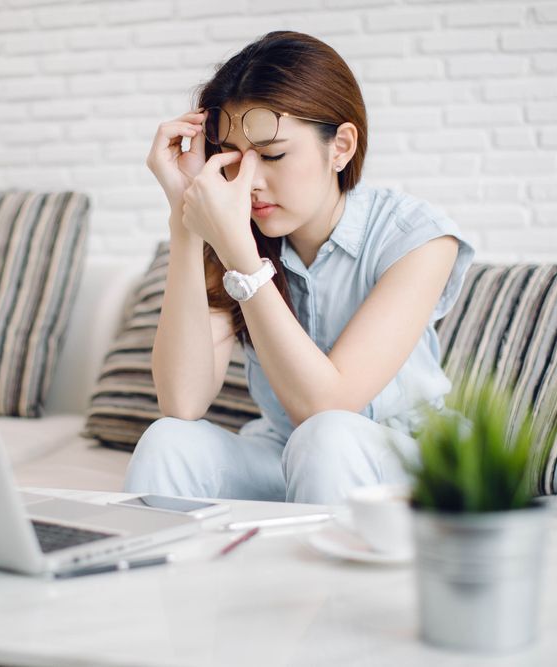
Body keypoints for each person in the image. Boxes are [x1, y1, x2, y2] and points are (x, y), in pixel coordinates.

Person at [123, 31, 475, 505]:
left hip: (405, 463)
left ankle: (319, 583)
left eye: (272, 155)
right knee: (169, 441)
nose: (248, 182)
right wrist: (186, 218)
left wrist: (240, 256)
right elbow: (182, 402)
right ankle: (156, 577)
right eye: (232, 159)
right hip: (288, 453)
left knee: (326, 435)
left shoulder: (419, 238)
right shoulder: (235, 231)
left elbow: (327, 406)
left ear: (341, 146)